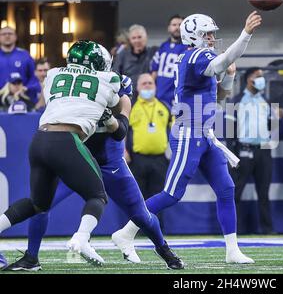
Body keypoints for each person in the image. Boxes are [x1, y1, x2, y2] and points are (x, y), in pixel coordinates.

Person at [112, 11, 262, 264]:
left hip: (205, 133)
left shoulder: (198, 59)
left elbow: (219, 97)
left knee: (226, 189)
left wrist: (231, 75)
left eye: (213, 33)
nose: (212, 38)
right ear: (193, 35)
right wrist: (245, 34)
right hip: (187, 133)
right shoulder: (196, 55)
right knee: (171, 194)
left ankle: (232, 250)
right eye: (207, 33)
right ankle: (126, 232)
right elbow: (222, 61)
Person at [3, 75, 184, 272]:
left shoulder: (119, 93)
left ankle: (163, 248)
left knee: (141, 214)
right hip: (76, 159)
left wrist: (110, 118)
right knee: (41, 205)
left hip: (110, 164)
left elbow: (120, 132)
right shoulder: (82, 89)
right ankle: (31, 257)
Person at [0, 40, 121, 267]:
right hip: (66, 140)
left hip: (40, 140)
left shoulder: (53, 74)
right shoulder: (108, 79)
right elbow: (116, 108)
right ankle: (81, 238)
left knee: (38, 204)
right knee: (97, 196)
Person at [227, 67, 274, 234]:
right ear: (249, 79)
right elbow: (229, 130)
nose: (261, 79)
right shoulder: (235, 101)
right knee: (236, 191)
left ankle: (267, 229)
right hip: (243, 151)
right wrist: (232, 154)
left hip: (263, 151)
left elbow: (272, 128)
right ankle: (233, 230)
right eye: (258, 76)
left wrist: (268, 150)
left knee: (264, 192)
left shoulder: (267, 102)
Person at [127, 73, 171, 200]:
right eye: (144, 83)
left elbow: (175, 129)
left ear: (155, 87)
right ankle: (138, 221)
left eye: (150, 83)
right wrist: (123, 151)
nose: (147, 86)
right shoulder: (131, 107)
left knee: (158, 200)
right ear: (137, 88)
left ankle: (157, 221)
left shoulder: (164, 107)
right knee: (137, 201)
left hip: (160, 161)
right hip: (137, 160)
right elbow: (122, 131)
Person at [151, 15, 188, 109]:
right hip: (159, 97)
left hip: (177, 98)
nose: (177, 27)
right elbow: (154, 72)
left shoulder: (188, 48)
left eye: (180, 25)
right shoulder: (163, 46)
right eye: (174, 24)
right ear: (169, 28)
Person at [113, 24, 158, 100]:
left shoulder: (154, 53)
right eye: (134, 38)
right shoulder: (122, 55)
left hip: (149, 97)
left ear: (146, 37)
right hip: (129, 98)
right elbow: (115, 75)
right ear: (130, 40)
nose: (137, 40)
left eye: (139, 37)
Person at [0, 26, 40, 103]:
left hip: (22, 99)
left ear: (15, 37)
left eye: (10, 34)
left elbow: (34, 77)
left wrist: (26, 88)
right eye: (4, 34)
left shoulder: (25, 55)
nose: (7, 36)